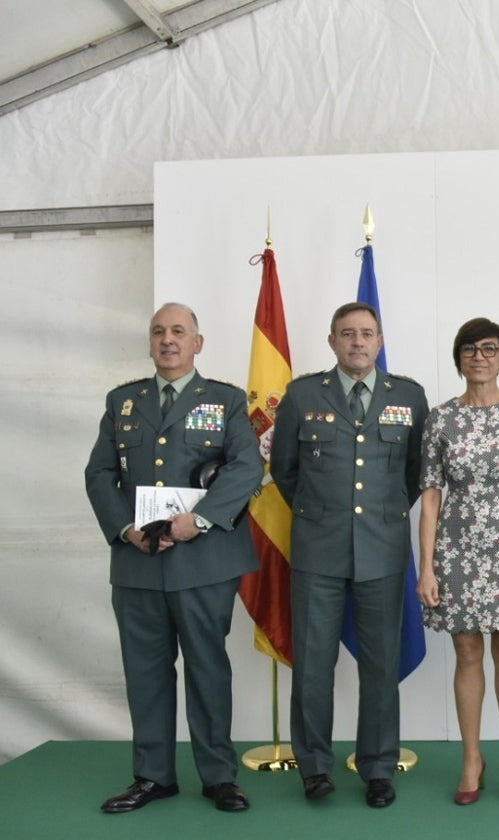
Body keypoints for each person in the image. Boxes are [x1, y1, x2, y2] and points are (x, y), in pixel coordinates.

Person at [84, 303, 260, 814]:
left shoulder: (224, 401)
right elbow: (98, 474)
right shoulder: (123, 401)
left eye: (179, 331)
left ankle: (219, 778)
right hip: (138, 563)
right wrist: (125, 528)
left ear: (197, 343)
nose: (168, 340)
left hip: (205, 561)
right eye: (159, 331)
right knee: (145, 673)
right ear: (150, 341)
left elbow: (246, 468)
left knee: (208, 669)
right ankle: (153, 776)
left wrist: (198, 520)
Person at [270, 301, 427, 808]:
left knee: (380, 665)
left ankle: (378, 767)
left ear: (380, 341)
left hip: (382, 552)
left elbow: (414, 474)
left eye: (366, 333)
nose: (357, 342)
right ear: (332, 341)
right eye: (347, 334)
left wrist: (377, 516)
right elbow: (286, 472)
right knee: (313, 664)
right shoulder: (300, 395)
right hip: (318, 551)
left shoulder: (408, 395)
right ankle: (314, 768)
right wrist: (322, 514)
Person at [417, 318, 499, 806]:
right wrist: (427, 566)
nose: (480, 356)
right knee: (468, 652)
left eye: (489, 348)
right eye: (470, 348)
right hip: (456, 551)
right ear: (458, 358)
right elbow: (430, 498)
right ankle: (471, 757)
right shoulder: (441, 419)